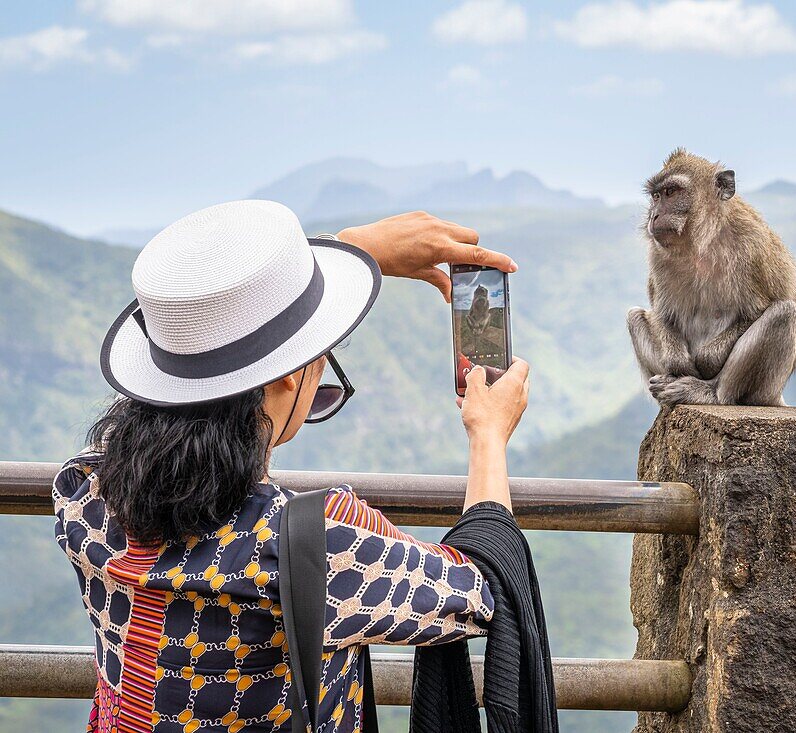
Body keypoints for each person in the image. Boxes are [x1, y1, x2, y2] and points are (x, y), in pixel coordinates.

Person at [52, 200, 530, 733]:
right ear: (290, 374)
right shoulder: (317, 547)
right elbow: (481, 589)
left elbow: (189, 329)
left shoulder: (83, 495)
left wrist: (348, 251)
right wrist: (488, 434)